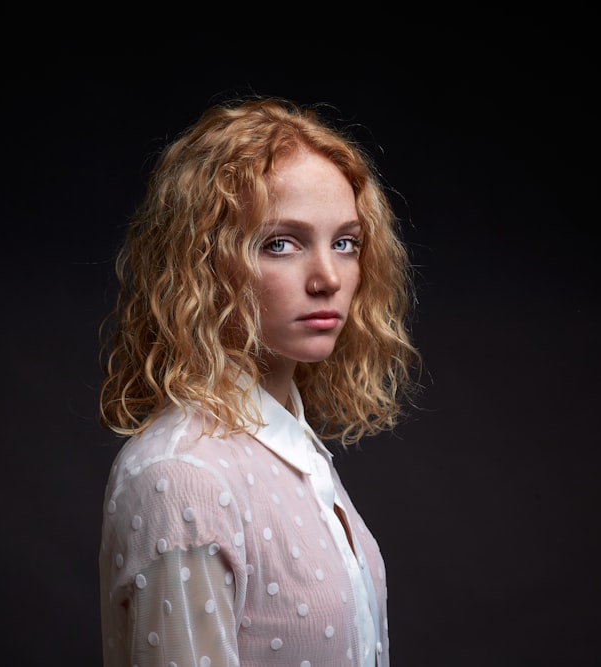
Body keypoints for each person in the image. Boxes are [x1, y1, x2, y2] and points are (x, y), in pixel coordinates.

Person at [97, 96, 422, 667]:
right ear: (205, 262)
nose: (328, 277)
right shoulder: (183, 478)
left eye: (345, 242)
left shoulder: (290, 448)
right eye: (281, 243)